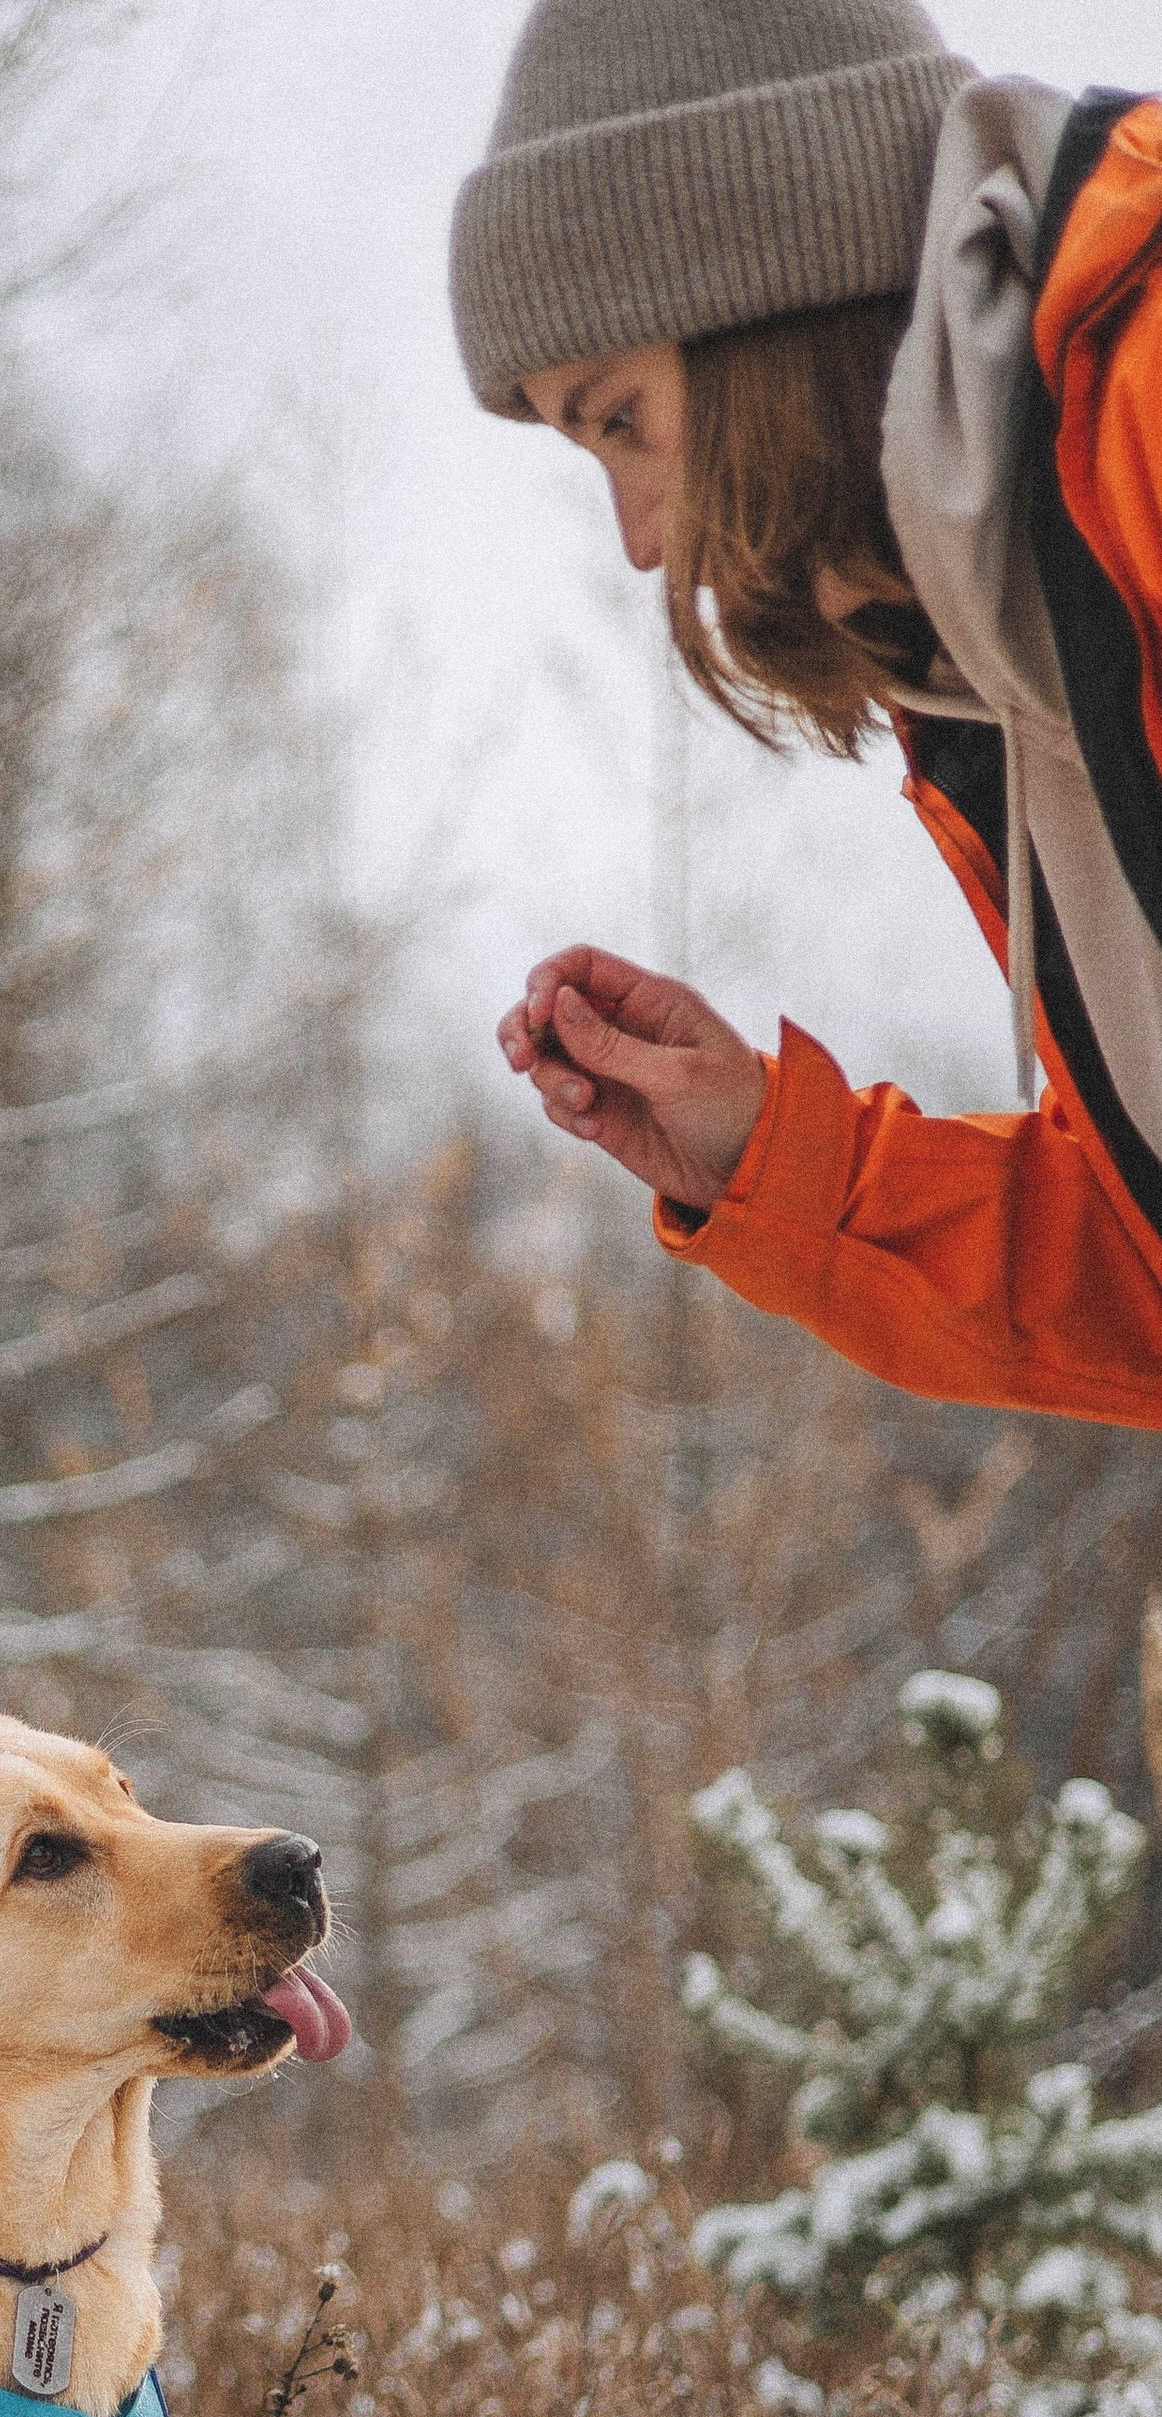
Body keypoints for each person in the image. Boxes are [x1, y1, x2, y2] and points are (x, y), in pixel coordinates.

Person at [452, 1, 1162, 1428]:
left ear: (776, 284)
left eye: (620, 422)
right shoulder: (993, 653)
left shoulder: (1143, 399)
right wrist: (781, 1162)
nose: (643, 540)